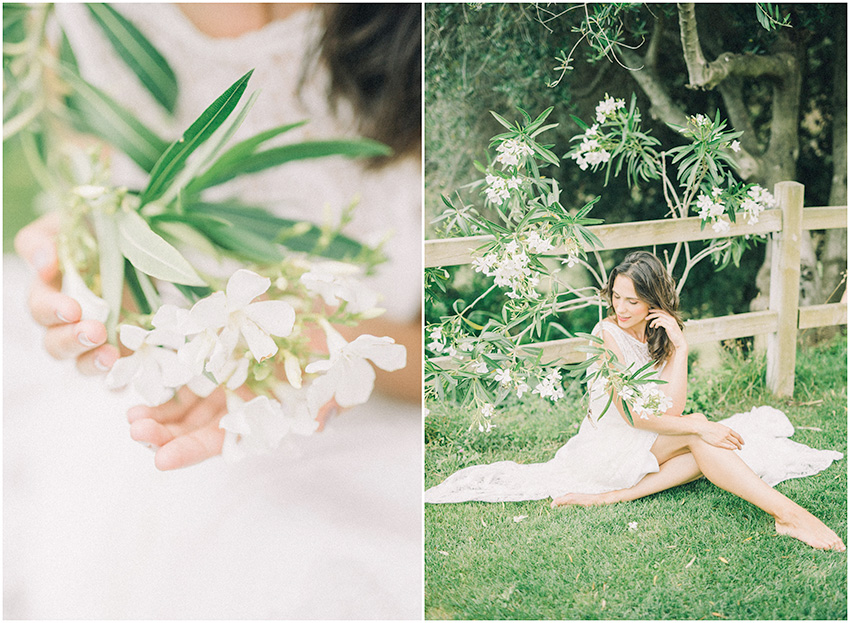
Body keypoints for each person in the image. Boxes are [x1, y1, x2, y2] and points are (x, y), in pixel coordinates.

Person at [6, 4, 422, 619]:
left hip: (393, 407)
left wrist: (328, 342)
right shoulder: (99, 13)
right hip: (184, 373)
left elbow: (463, 358)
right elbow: (100, 168)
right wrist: (93, 254)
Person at [425, 251, 845, 552]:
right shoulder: (607, 335)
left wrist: (679, 349)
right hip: (608, 447)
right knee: (702, 438)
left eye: (633, 300)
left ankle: (784, 517)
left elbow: (671, 410)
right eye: (616, 297)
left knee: (703, 448)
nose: (621, 308)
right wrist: (699, 424)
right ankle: (789, 515)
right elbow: (639, 417)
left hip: (644, 439)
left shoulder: (661, 333)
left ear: (653, 302)